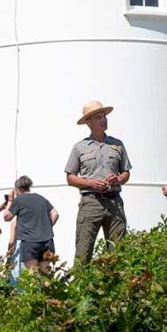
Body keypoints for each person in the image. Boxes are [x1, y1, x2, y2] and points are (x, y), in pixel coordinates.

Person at [65, 99, 132, 264]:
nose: (104, 120)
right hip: (91, 202)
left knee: (118, 252)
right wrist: (90, 183)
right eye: (99, 117)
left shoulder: (118, 145)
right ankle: (81, 288)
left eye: (104, 116)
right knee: (83, 250)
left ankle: (116, 288)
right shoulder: (80, 147)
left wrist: (118, 179)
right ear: (88, 122)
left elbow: (126, 173)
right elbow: (70, 178)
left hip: (114, 201)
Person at [3, 176, 58, 273]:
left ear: (17, 190)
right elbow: (55, 214)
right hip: (47, 241)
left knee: (33, 276)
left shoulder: (19, 199)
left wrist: (10, 200)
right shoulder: (41, 198)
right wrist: (46, 227)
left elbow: (7, 217)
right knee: (45, 276)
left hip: (29, 243)